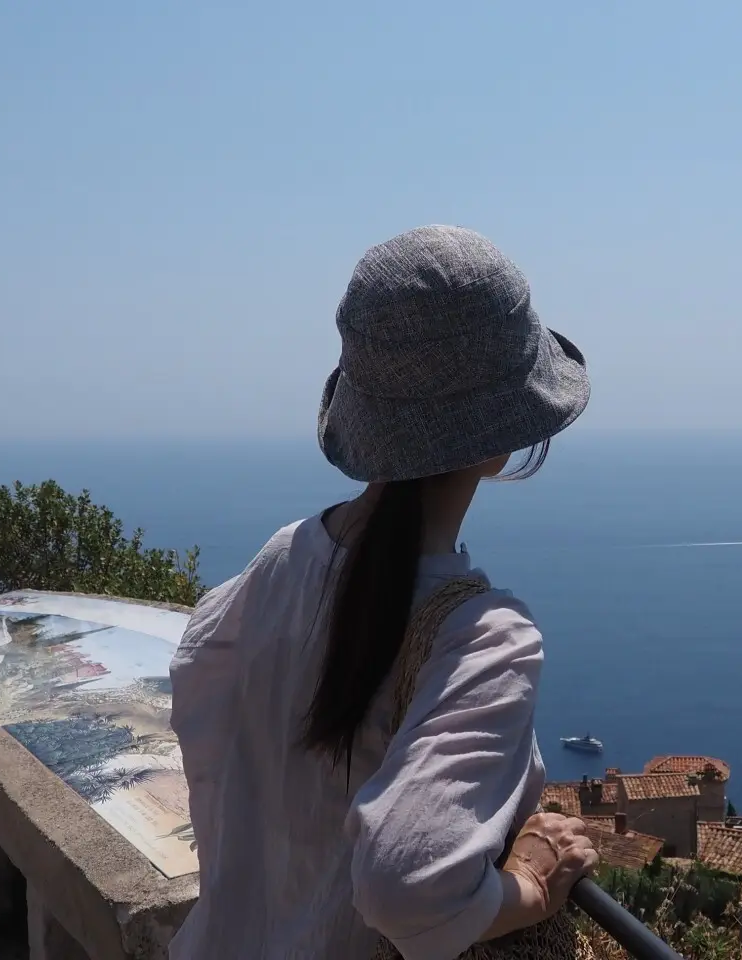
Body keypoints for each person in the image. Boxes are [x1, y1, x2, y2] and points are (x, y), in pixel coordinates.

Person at [168, 225, 598, 959]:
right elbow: (405, 888)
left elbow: (196, 685)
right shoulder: (483, 637)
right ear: (502, 436)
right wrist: (529, 882)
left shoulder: (283, 558)